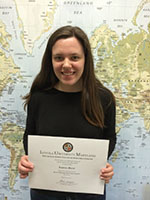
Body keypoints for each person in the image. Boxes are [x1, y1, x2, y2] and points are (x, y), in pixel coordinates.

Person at [18, 25, 116, 200]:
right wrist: (26, 162)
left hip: (89, 194)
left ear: (86, 59)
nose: (66, 65)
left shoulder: (104, 99)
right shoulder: (39, 98)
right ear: (51, 60)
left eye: (74, 57)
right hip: (45, 194)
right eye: (58, 58)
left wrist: (104, 167)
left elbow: (109, 138)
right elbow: (30, 137)